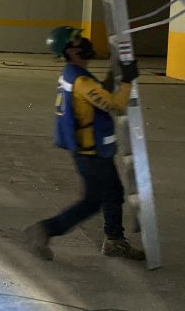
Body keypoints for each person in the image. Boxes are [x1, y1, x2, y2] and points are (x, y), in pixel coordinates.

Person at [24, 26, 145, 261]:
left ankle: (114, 240)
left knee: (110, 194)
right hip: (92, 155)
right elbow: (115, 105)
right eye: (78, 40)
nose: (84, 41)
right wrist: (127, 80)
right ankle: (45, 230)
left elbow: (98, 96)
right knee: (93, 201)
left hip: (92, 151)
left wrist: (114, 75)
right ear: (70, 50)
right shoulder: (81, 80)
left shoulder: (73, 74)